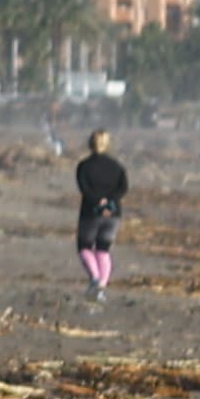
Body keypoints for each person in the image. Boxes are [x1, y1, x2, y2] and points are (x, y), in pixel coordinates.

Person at [71, 128, 129, 299]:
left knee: (84, 246)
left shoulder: (83, 166)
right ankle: (101, 287)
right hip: (113, 213)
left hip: (90, 212)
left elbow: (84, 189)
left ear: (90, 144)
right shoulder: (117, 166)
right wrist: (109, 201)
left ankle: (95, 280)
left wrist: (98, 201)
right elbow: (123, 188)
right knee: (103, 250)